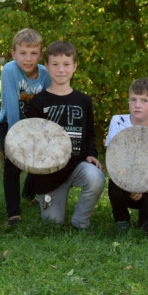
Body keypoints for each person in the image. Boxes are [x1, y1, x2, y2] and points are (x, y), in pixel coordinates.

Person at [25, 40, 105, 229]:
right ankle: (42, 200)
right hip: (49, 176)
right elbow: (32, 142)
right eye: (55, 64)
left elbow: (90, 134)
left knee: (96, 178)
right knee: (52, 223)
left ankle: (81, 220)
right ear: (47, 66)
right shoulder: (38, 102)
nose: (61, 69)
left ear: (75, 66)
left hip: (77, 165)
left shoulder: (84, 101)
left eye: (66, 64)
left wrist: (92, 154)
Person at [0, 28, 52, 225]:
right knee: (12, 164)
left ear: (41, 53)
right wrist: (13, 142)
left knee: (38, 161)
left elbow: (47, 105)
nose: (28, 59)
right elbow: (12, 106)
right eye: (22, 53)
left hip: (35, 126)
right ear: (13, 53)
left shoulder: (45, 74)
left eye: (33, 53)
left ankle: (29, 192)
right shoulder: (10, 70)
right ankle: (13, 212)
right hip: (9, 124)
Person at [104, 78, 148, 233]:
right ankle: (121, 219)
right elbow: (114, 159)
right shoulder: (118, 121)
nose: (137, 105)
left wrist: (143, 187)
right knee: (115, 181)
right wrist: (132, 184)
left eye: (144, 100)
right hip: (125, 183)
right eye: (133, 99)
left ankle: (147, 214)